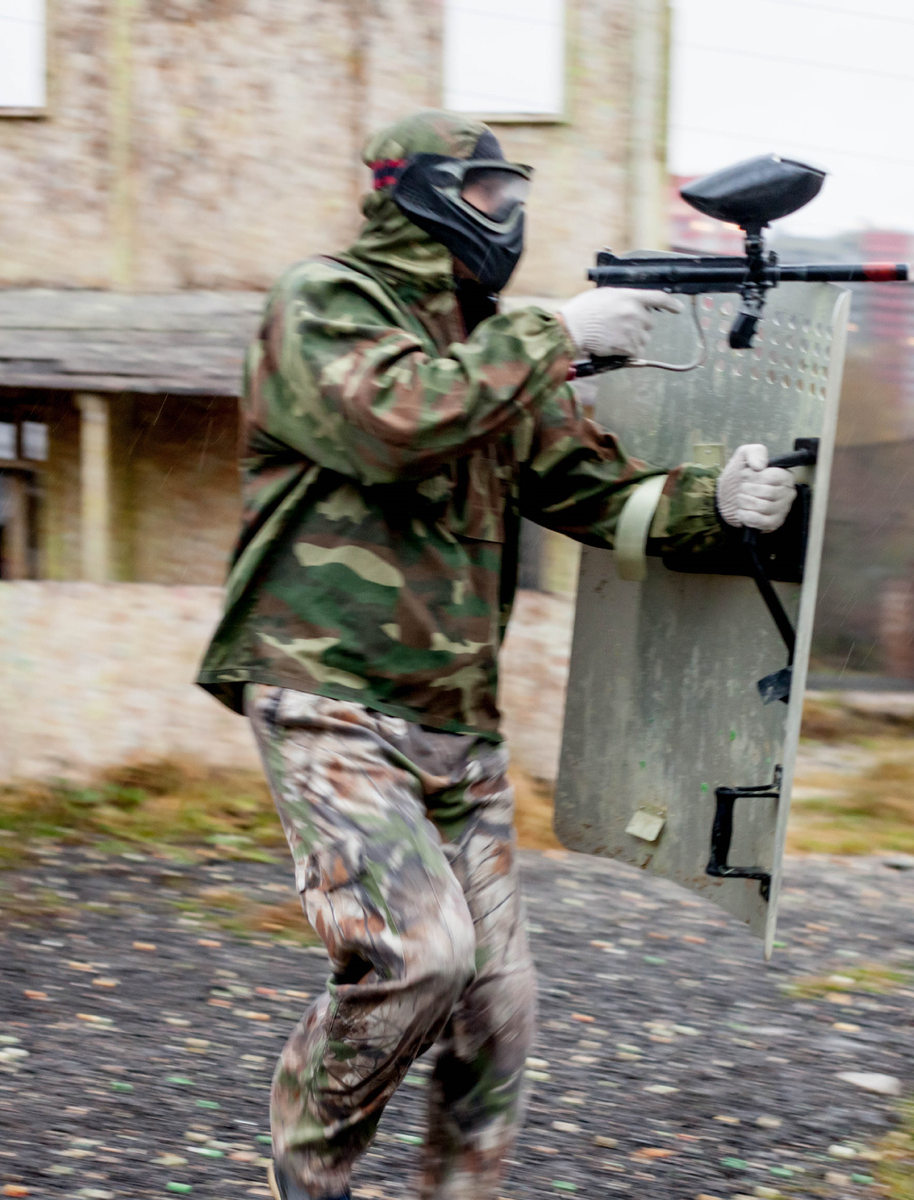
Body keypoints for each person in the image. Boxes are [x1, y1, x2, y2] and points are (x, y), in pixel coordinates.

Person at [197, 109, 796, 1200]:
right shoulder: (324, 304)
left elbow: (594, 490)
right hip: (327, 695)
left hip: (455, 722)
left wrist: (727, 505)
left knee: (496, 1009)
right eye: (484, 192)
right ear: (413, 192)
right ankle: (308, 1174)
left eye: (512, 193)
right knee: (418, 956)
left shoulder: (494, 348)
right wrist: (555, 334)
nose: (507, 215)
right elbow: (391, 420)